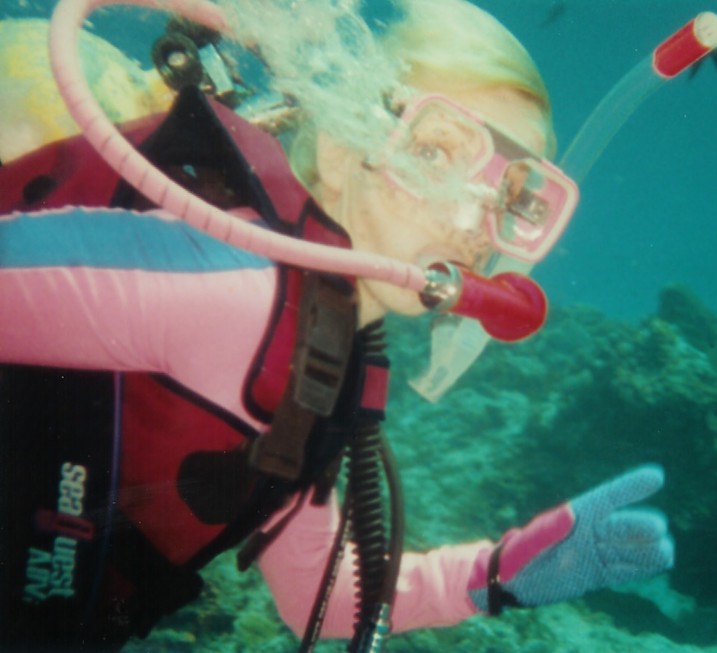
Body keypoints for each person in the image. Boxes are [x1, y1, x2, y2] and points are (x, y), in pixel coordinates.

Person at [0, 0, 675, 650]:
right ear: (338, 150)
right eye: (437, 152)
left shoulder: (328, 347)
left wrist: (497, 574)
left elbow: (315, 593)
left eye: (513, 196)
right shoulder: (235, 288)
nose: (472, 219)